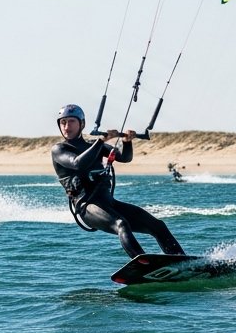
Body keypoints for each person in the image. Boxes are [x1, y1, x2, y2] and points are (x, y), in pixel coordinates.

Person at [51, 104, 185, 259]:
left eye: (71, 122)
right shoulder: (59, 149)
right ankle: (144, 265)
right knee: (121, 224)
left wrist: (127, 142)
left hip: (109, 203)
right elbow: (77, 163)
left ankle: (182, 262)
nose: (67, 126)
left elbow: (124, 157)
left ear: (82, 123)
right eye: (63, 122)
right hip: (87, 206)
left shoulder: (93, 145)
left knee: (158, 226)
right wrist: (101, 141)